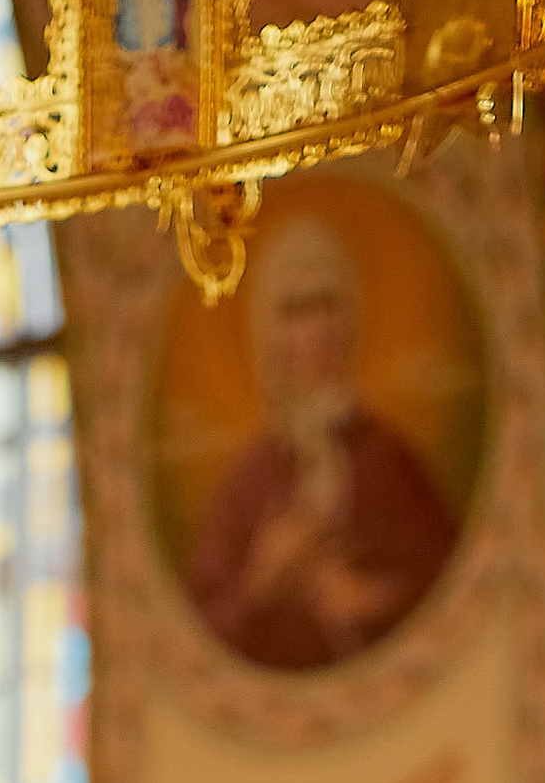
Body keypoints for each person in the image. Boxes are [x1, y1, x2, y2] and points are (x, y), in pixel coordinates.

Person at [184, 214, 457, 670]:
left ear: (348, 320)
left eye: (323, 306)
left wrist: (373, 598)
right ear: (268, 333)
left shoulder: (388, 460)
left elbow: (449, 577)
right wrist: (262, 580)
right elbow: (198, 628)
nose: (310, 333)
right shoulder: (249, 480)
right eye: (292, 311)